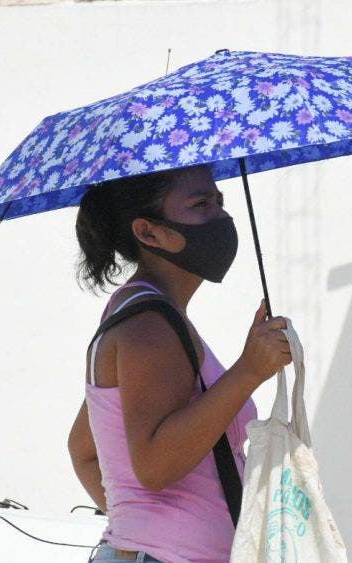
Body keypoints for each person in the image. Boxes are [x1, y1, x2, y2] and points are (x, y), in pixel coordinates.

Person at [67, 164, 292, 563]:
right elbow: (154, 466)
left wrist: (140, 527)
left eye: (219, 201)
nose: (220, 216)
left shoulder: (144, 312)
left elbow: (84, 448)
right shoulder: (149, 326)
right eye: (201, 204)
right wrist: (249, 371)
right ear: (148, 232)